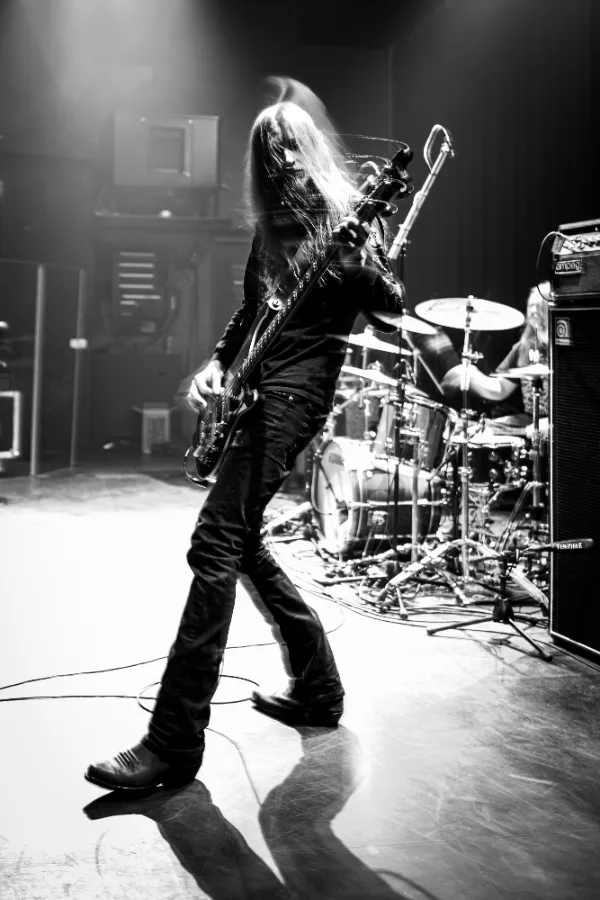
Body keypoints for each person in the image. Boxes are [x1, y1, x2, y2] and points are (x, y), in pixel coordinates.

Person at [85, 78, 407, 791]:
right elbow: (248, 315)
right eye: (269, 148)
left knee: (214, 541)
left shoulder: (347, 219)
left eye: (291, 143)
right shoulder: (270, 229)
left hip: (297, 397)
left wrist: (361, 263)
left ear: (309, 147)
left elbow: (392, 307)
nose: (282, 155)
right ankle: (318, 687)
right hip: (255, 393)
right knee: (243, 543)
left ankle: (173, 742)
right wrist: (214, 366)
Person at [440, 282, 551, 437]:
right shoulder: (523, 347)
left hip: (559, 421)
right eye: (530, 305)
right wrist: (471, 375)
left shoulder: (560, 347)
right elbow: (501, 389)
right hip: (529, 420)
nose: (533, 310)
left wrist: (553, 422)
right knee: (465, 429)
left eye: (539, 305)